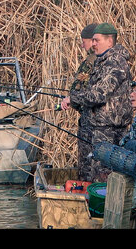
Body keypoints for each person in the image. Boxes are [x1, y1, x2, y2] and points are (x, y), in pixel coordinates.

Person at [63, 23, 133, 183]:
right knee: (87, 176)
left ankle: (100, 206)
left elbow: (99, 95)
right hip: (94, 129)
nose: (92, 44)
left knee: (101, 178)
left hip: (106, 132)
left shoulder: (115, 63)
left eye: (96, 40)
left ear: (109, 41)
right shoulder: (102, 61)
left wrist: (72, 99)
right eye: (92, 40)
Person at [60, 23, 98, 181]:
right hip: (96, 119)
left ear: (93, 40)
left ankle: (88, 192)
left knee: (88, 164)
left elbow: (78, 88)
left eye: (84, 41)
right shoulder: (106, 60)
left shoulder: (91, 60)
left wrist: (72, 100)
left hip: (90, 120)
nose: (82, 45)